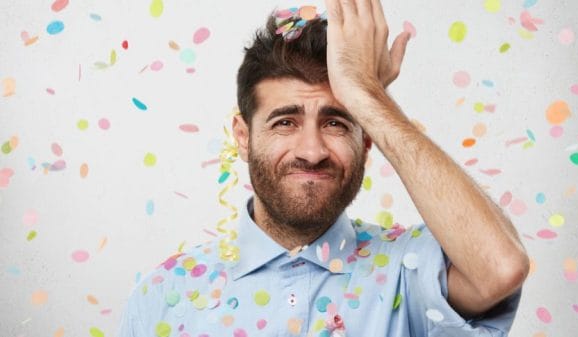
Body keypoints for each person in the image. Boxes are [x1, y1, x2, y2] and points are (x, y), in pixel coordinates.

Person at [118, 1, 529, 336]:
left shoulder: (409, 268)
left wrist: (367, 96)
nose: (312, 151)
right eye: (285, 122)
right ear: (243, 137)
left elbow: (500, 268)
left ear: (367, 139)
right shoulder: (167, 293)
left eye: (335, 122)